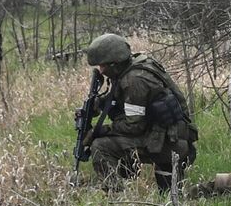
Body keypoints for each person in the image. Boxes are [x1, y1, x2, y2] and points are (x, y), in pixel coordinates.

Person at [80, 33, 197, 192]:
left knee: (101, 146)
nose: (100, 70)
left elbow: (133, 127)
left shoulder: (135, 80)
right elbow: (119, 98)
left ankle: (116, 197)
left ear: (114, 64)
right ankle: (129, 175)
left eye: (103, 66)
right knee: (169, 194)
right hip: (166, 136)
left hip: (169, 143)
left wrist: (100, 131)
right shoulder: (132, 66)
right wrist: (97, 104)